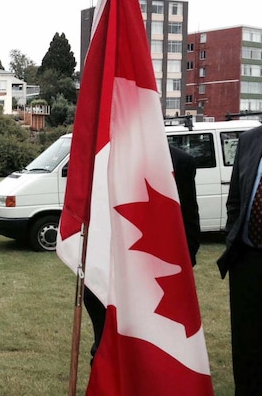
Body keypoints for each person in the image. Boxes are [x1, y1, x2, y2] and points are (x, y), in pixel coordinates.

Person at [84, 144, 200, 360]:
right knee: (106, 344)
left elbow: (189, 222)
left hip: (155, 276)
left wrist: (178, 272)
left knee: (151, 345)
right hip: (108, 269)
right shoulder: (101, 157)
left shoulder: (180, 161)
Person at [218, 59, 262, 395]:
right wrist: (233, 238)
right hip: (249, 265)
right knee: (250, 354)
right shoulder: (251, 140)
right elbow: (236, 200)